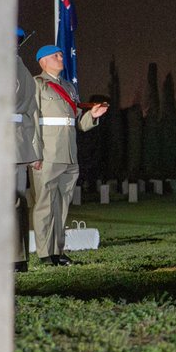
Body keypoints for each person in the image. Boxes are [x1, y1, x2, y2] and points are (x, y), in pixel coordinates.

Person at [30, 44, 108, 266]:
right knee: (44, 204)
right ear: (43, 61)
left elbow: (78, 123)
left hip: (69, 154)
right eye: (55, 55)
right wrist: (34, 153)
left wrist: (93, 115)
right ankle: (45, 254)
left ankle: (58, 251)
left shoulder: (69, 88)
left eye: (61, 54)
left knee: (61, 205)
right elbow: (32, 121)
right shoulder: (37, 84)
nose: (61, 57)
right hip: (47, 154)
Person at [13, 28, 43, 272]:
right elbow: (32, 113)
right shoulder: (24, 71)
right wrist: (33, 149)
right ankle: (18, 257)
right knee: (17, 201)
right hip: (19, 142)